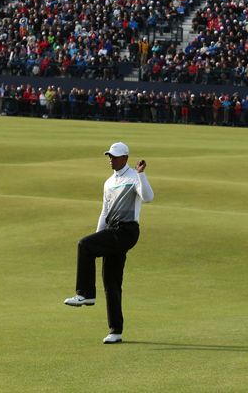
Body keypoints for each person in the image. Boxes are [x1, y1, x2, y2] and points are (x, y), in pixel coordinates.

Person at [64, 142, 154, 344]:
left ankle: (85, 294)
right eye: (109, 156)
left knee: (83, 245)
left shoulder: (134, 177)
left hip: (127, 230)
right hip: (112, 230)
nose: (110, 159)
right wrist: (98, 238)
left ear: (125, 158)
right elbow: (104, 212)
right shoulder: (108, 182)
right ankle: (116, 331)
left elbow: (148, 198)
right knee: (111, 281)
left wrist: (141, 174)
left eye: (114, 156)